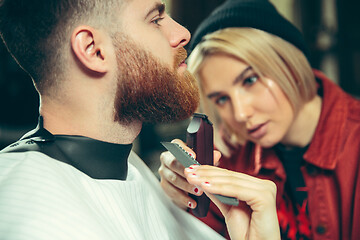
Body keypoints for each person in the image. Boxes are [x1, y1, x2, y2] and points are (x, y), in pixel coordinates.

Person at [0, 0, 280, 239]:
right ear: (94, 50)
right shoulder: (37, 220)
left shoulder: (125, 164)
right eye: (156, 19)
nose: (182, 33)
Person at [158, 0, 360, 239]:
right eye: (221, 99)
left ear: (290, 65)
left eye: (250, 80)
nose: (241, 114)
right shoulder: (226, 156)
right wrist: (178, 202)